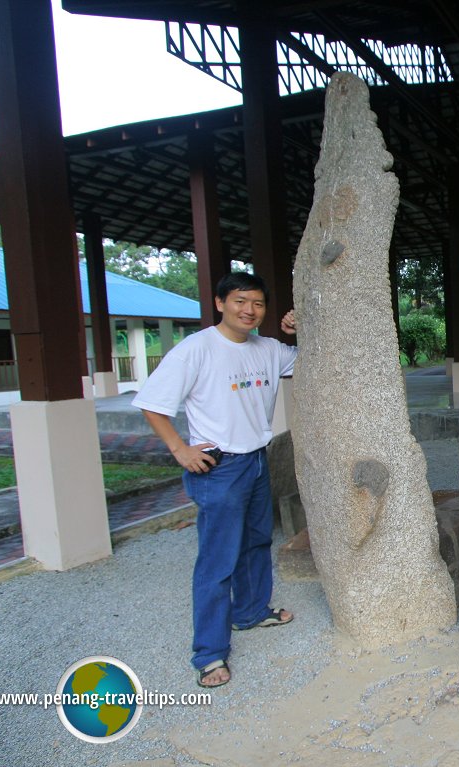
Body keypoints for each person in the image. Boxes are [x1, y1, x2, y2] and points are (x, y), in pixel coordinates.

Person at [133, 272, 298, 689]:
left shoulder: (269, 349)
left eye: (258, 304)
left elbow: (311, 358)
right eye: (241, 301)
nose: (250, 310)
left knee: (257, 541)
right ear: (220, 302)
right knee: (217, 559)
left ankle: (250, 612)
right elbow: (153, 405)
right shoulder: (196, 350)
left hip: (256, 461)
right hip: (218, 467)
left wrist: (303, 325)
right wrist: (180, 449)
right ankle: (208, 653)